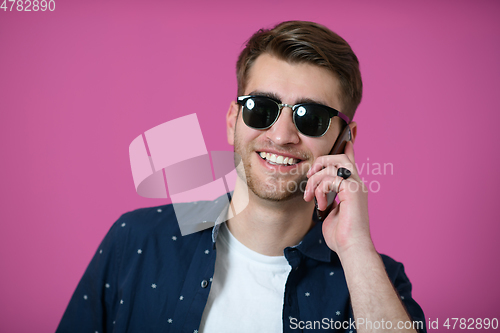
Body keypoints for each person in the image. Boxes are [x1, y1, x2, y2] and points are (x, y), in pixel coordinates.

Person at [57, 21, 426, 333]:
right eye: (261, 109)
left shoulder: (377, 281)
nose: (281, 136)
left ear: (345, 140)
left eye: (310, 117)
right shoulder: (136, 241)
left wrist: (355, 248)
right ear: (234, 120)